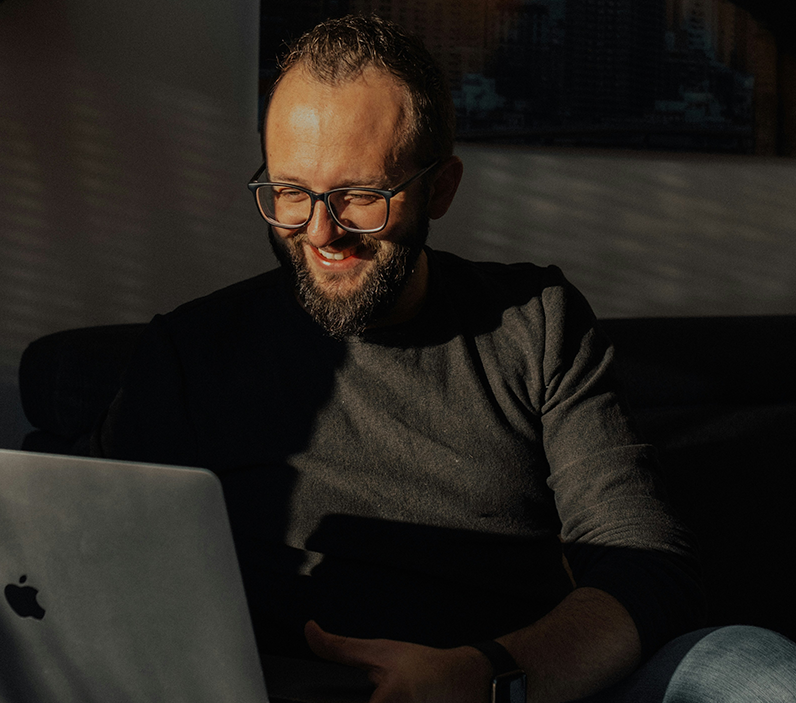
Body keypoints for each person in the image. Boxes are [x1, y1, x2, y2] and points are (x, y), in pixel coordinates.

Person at [93, 14, 796, 703]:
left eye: (359, 196)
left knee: (750, 667)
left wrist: (486, 674)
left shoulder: (535, 320)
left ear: (442, 187)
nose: (320, 232)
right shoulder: (188, 351)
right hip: (290, 687)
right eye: (289, 192)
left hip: (518, 682)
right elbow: (102, 574)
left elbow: (645, 567)